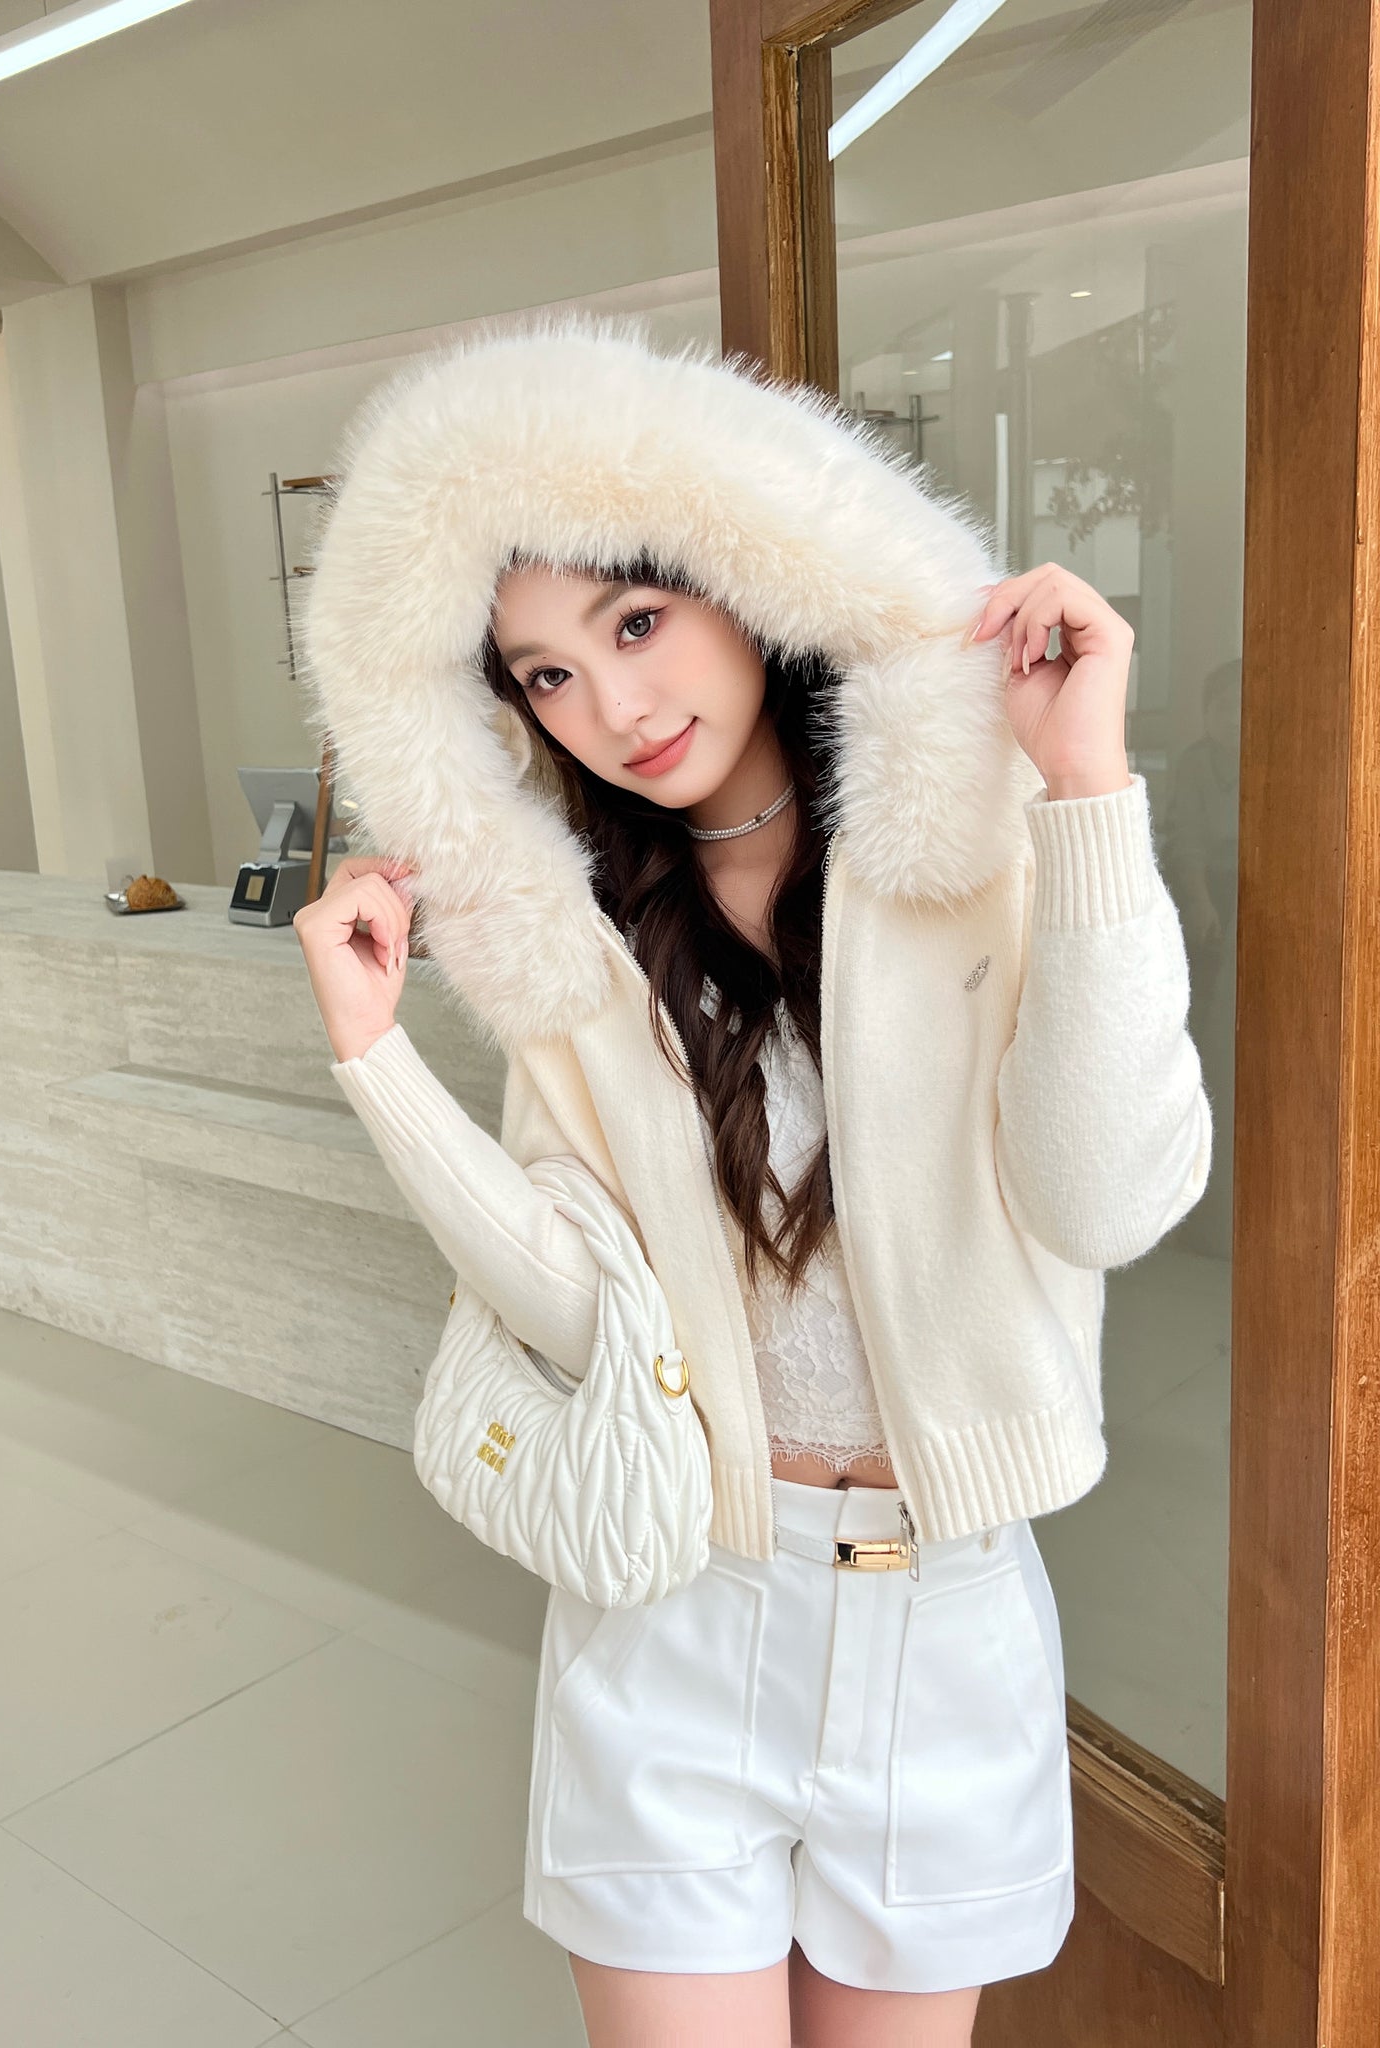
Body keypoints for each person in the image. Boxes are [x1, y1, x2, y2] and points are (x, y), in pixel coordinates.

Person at [293, 314, 1212, 2048]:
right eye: (545, 676)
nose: (613, 709)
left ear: (744, 574)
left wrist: (1086, 787)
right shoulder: (576, 933)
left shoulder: (979, 845)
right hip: (679, 1610)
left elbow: (1106, 1200)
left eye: (634, 622)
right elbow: (574, 1305)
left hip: (944, 1618)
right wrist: (377, 1060)